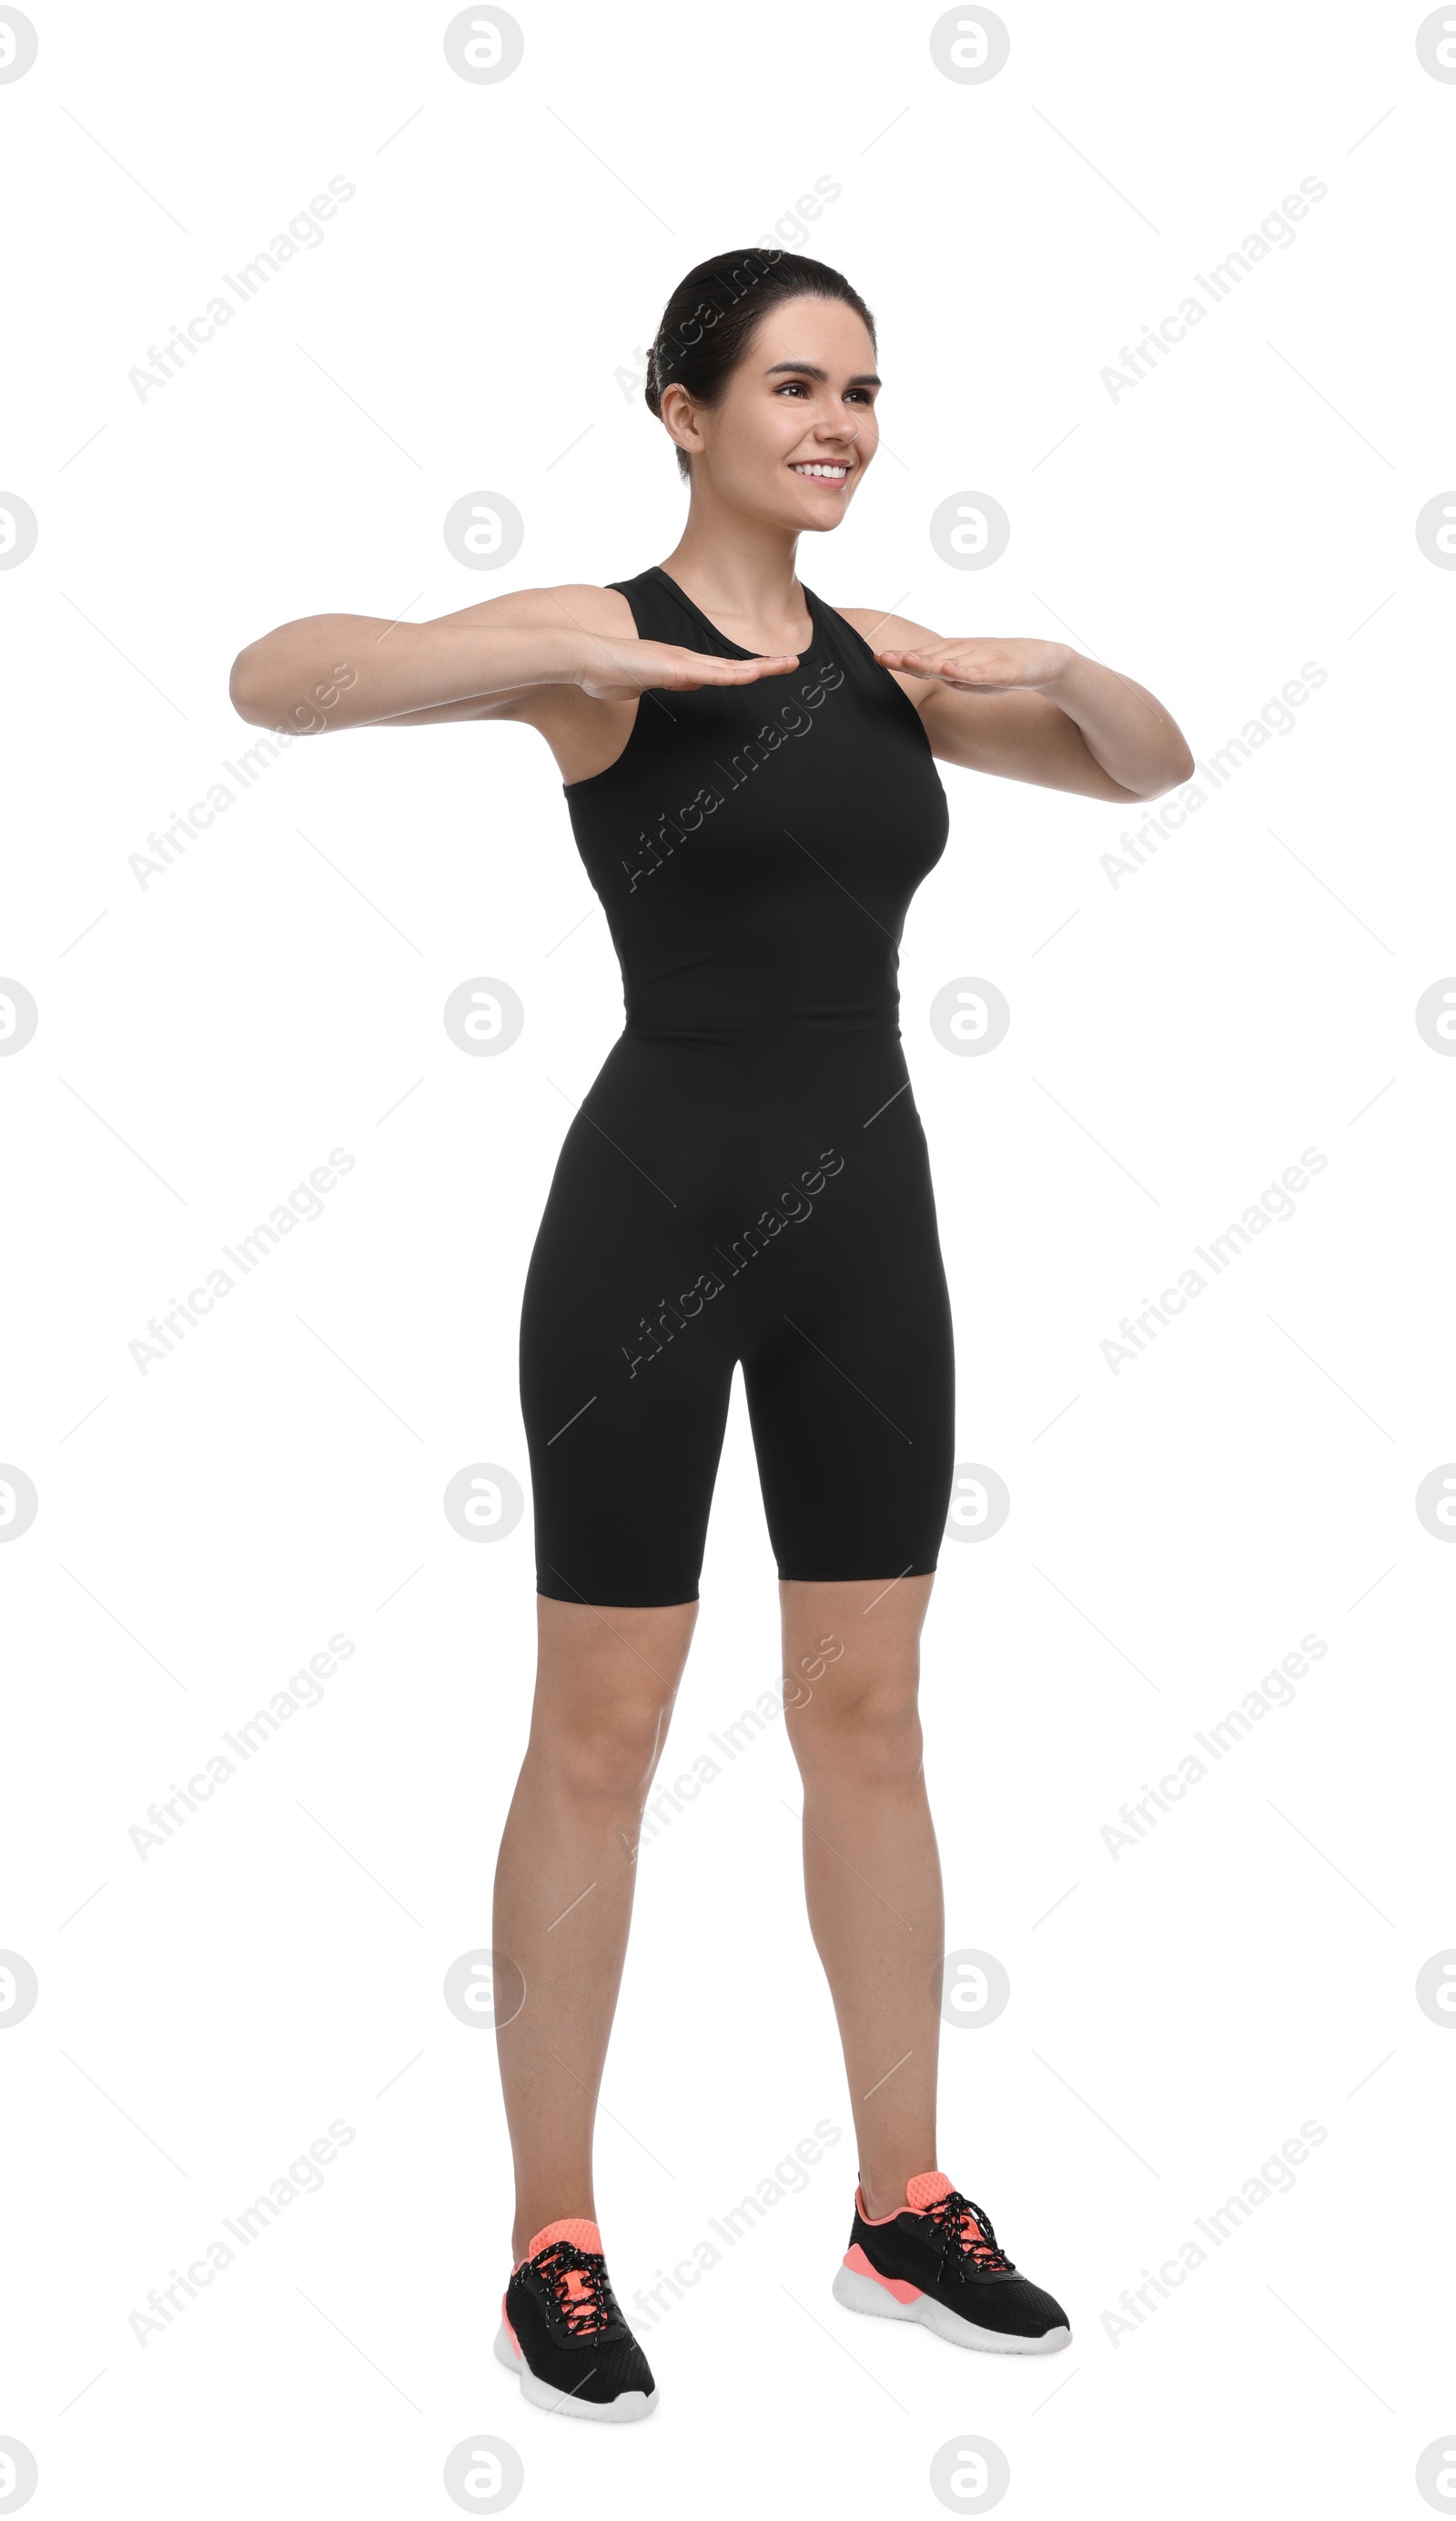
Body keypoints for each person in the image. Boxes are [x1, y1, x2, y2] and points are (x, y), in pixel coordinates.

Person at [230, 248, 1193, 2423]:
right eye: (792, 384)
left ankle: (899, 2198)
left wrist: (1033, 656)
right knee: (602, 1728)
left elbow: (1141, 764)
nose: (839, 420)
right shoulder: (610, 659)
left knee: (872, 1718)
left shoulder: (886, 665)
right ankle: (549, 2234)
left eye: (863, 388)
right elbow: (271, 677)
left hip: (868, 1223)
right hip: (644, 1217)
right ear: (680, 408)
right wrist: (553, 641)